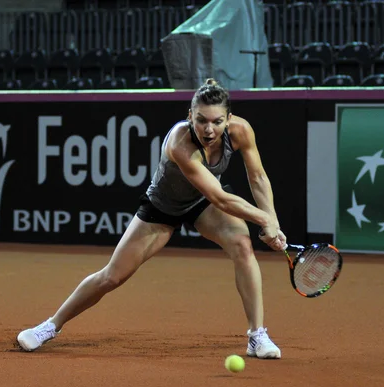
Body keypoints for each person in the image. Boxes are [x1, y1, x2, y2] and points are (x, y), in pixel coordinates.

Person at [16, 78, 287, 359]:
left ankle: (257, 335)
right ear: (189, 116)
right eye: (201, 120)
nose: (209, 129)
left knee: (242, 246)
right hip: (163, 207)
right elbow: (220, 197)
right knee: (112, 276)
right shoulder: (180, 143)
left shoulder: (241, 131)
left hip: (201, 203)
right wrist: (263, 220)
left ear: (229, 119)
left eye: (217, 122)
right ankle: (50, 326)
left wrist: (273, 221)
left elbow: (257, 177)